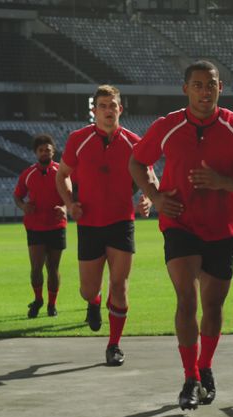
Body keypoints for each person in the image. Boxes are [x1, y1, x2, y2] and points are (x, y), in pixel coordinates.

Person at [129, 60, 233, 411]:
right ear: (185, 89)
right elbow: (137, 162)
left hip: (221, 227)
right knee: (187, 300)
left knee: (213, 305)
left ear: (220, 88)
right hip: (180, 224)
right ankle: (190, 378)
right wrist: (157, 195)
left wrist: (224, 183)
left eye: (211, 85)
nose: (204, 91)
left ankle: (206, 366)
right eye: (197, 85)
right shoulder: (168, 126)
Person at [56, 85, 152, 366]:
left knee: (119, 286)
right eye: (103, 106)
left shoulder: (135, 142)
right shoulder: (78, 139)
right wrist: (70, 203)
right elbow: (62, 175)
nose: (108, 111)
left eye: (113, 105)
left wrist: (148, 199)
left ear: (120, 109)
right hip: (89, 224)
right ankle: (94, 302)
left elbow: (150, 177)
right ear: (94, 111)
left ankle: (114, 345)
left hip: (122, 223)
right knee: (88, 289)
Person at [13, 133, 66, 319]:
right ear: (36, 153)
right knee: (36, 267)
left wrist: (65, 207)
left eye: (48, 150)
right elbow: (17, 196)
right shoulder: (28, 174)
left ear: (53, 152)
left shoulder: (61, 172)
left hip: (57, 225)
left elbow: (73, 195)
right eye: (41, 150)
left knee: (53, 267)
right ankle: (38, 299)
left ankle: (52, 304)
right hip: (35, 226)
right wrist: (23, 206)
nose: (45, 153)